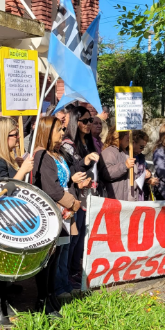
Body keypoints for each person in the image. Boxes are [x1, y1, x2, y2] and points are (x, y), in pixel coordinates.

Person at [0, 117, 34, 327]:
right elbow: (2, 193)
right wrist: (22, 171)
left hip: (7, 219)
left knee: (4, 265)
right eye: (13, 134)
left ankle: (2, 303)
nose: (18, 137)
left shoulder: (4, 158)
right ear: (2, 136)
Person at [32, 117, 81, 317]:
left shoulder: (56, 153)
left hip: (63, 210)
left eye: (62, 129)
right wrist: (73, 203)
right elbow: (51, 188)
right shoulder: (41, 155)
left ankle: (52, 294)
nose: (62, 133)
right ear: (46, 132)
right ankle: (43, 300)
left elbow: (64, 181)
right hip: (52, 211)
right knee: (48, 258)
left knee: (57, 256)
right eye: (59, 130)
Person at [61, 106, 99, 289]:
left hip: (87, 195)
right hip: (74, 196)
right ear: (75, 122)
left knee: (82, 236)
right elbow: (69, 172)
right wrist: (84, 162)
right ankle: (67, 275)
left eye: (90, 120)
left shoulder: (89, 143)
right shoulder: (68, 145)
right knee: (73, 239)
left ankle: (76, 271)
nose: (88, 124)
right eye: (84, 121)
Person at [99, 128, 155, 201]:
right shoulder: (109, 152)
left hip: (131, 200)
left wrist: (147, 177)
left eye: (129, 134)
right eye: (126, 134)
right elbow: (106, 173)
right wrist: (124, 166)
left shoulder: (129, 153)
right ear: (117, 136)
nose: (129, 136)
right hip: (117, 200)